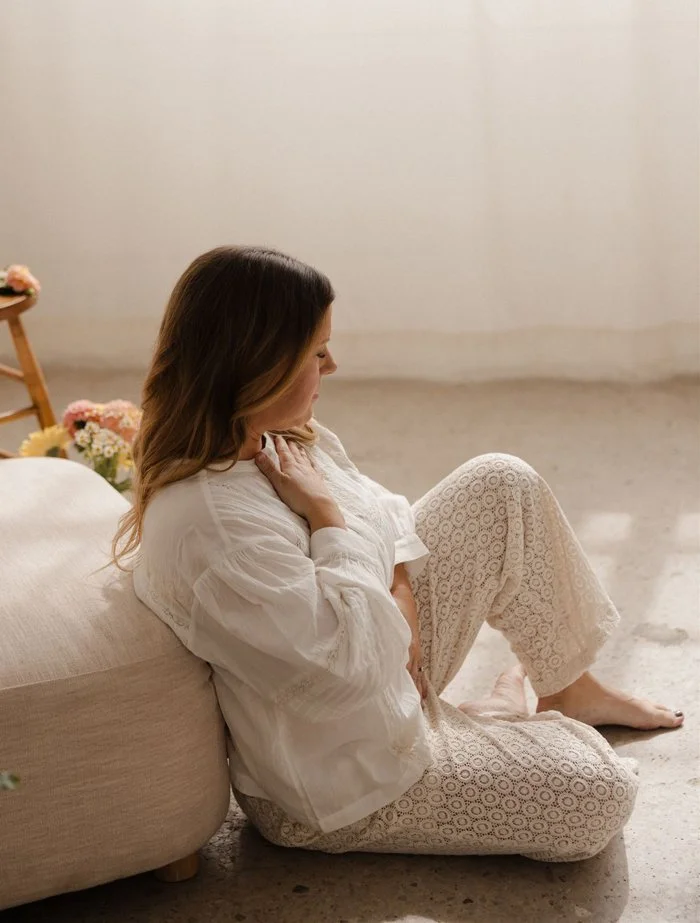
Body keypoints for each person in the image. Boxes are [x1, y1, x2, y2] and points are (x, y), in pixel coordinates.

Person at [114, 245, 684, 863]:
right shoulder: (215, 529)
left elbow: (381, 505)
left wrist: (402, 592)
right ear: (256, 365)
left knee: (500, 481)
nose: (333, 365)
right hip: (351, 783)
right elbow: (347, 675)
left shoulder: (268, 435)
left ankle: (568, 687)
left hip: (387, 661)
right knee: (595, 801)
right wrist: (325, 517)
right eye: (317, 351)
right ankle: (492, 717)